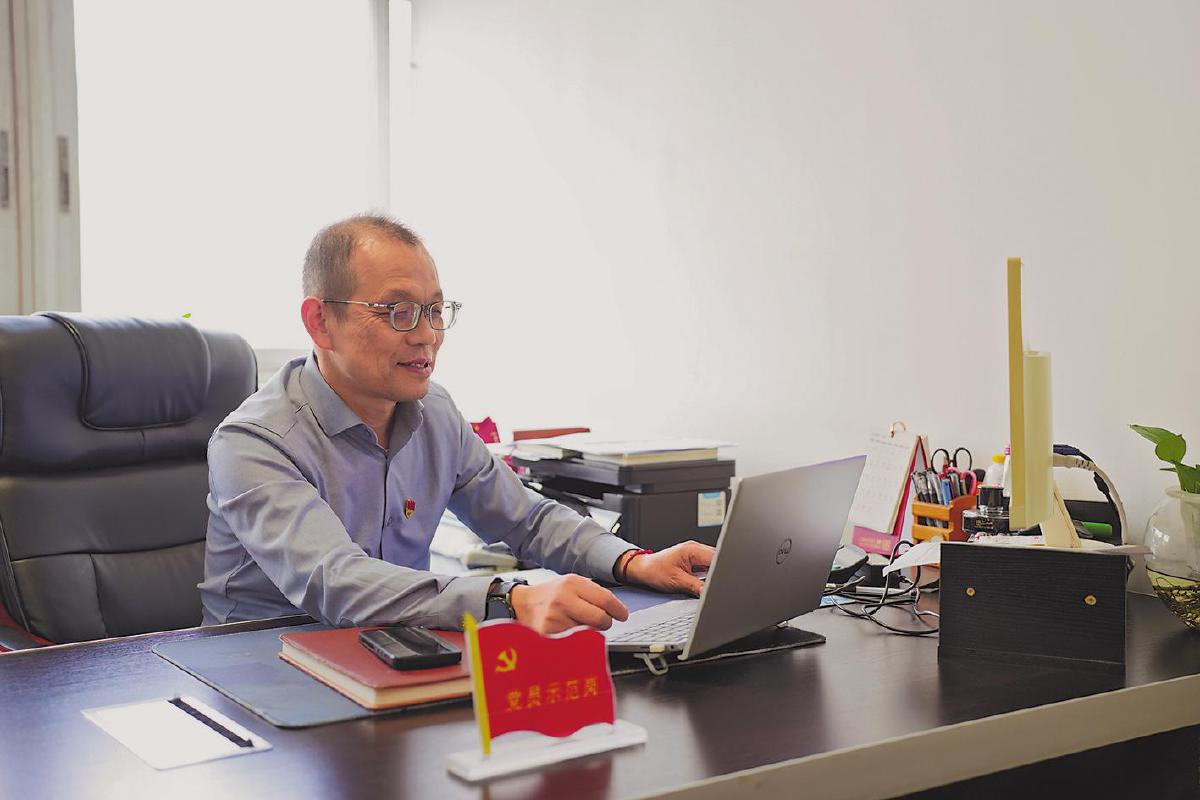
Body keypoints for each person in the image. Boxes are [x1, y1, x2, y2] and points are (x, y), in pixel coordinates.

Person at [199, 215, 714, 633]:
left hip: (397, 646)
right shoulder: (253, 442)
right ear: (320, 322)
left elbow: (526, 520)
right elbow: (336, 580)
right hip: (259, 665)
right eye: (399, 311)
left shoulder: (435, 412)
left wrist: (633, 563)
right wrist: (508, 597)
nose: (427, 335)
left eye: (435, 310)